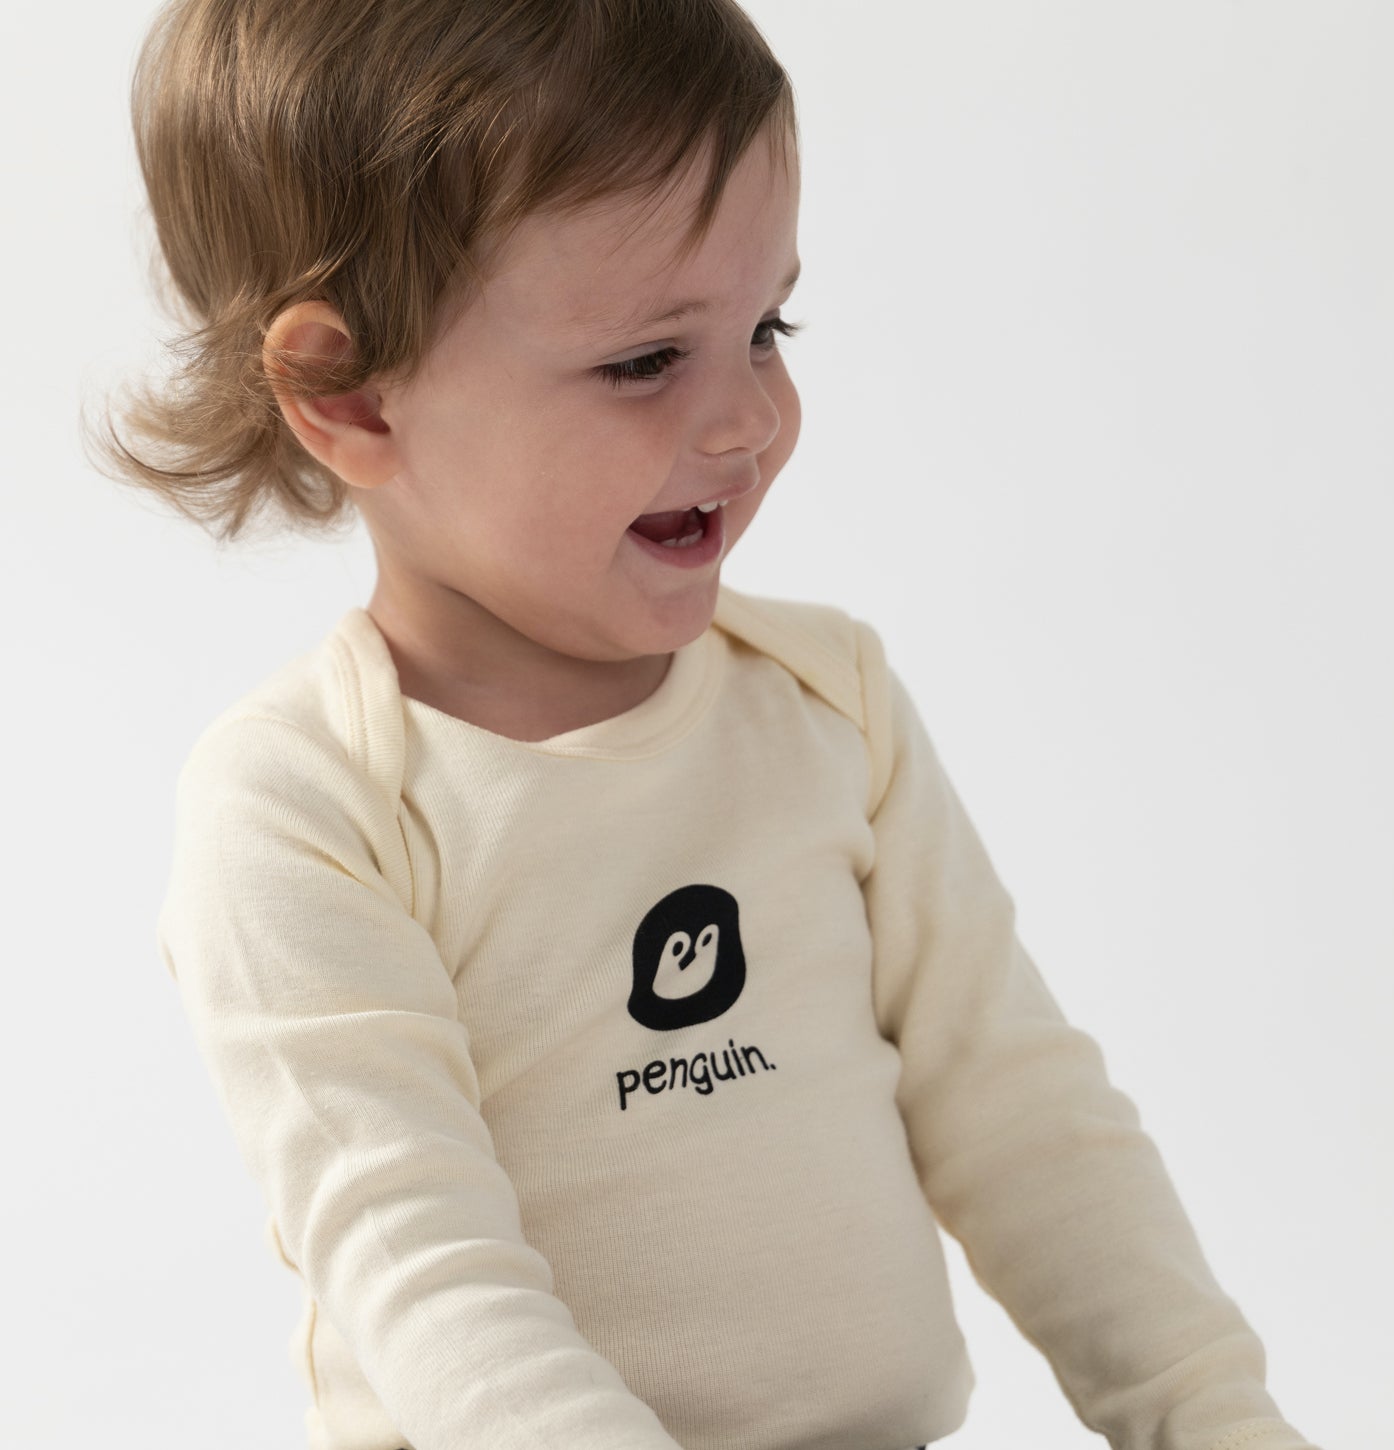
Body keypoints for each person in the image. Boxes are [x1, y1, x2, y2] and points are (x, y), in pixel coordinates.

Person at [94, 2, 1324, 1449]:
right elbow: (421, 1272)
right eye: (644, 360)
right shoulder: (309, 807)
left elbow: (1023, 1115)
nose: (748, 419)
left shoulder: (825, 702)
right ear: (349, 394)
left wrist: (1211, 1414)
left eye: (766, 329)